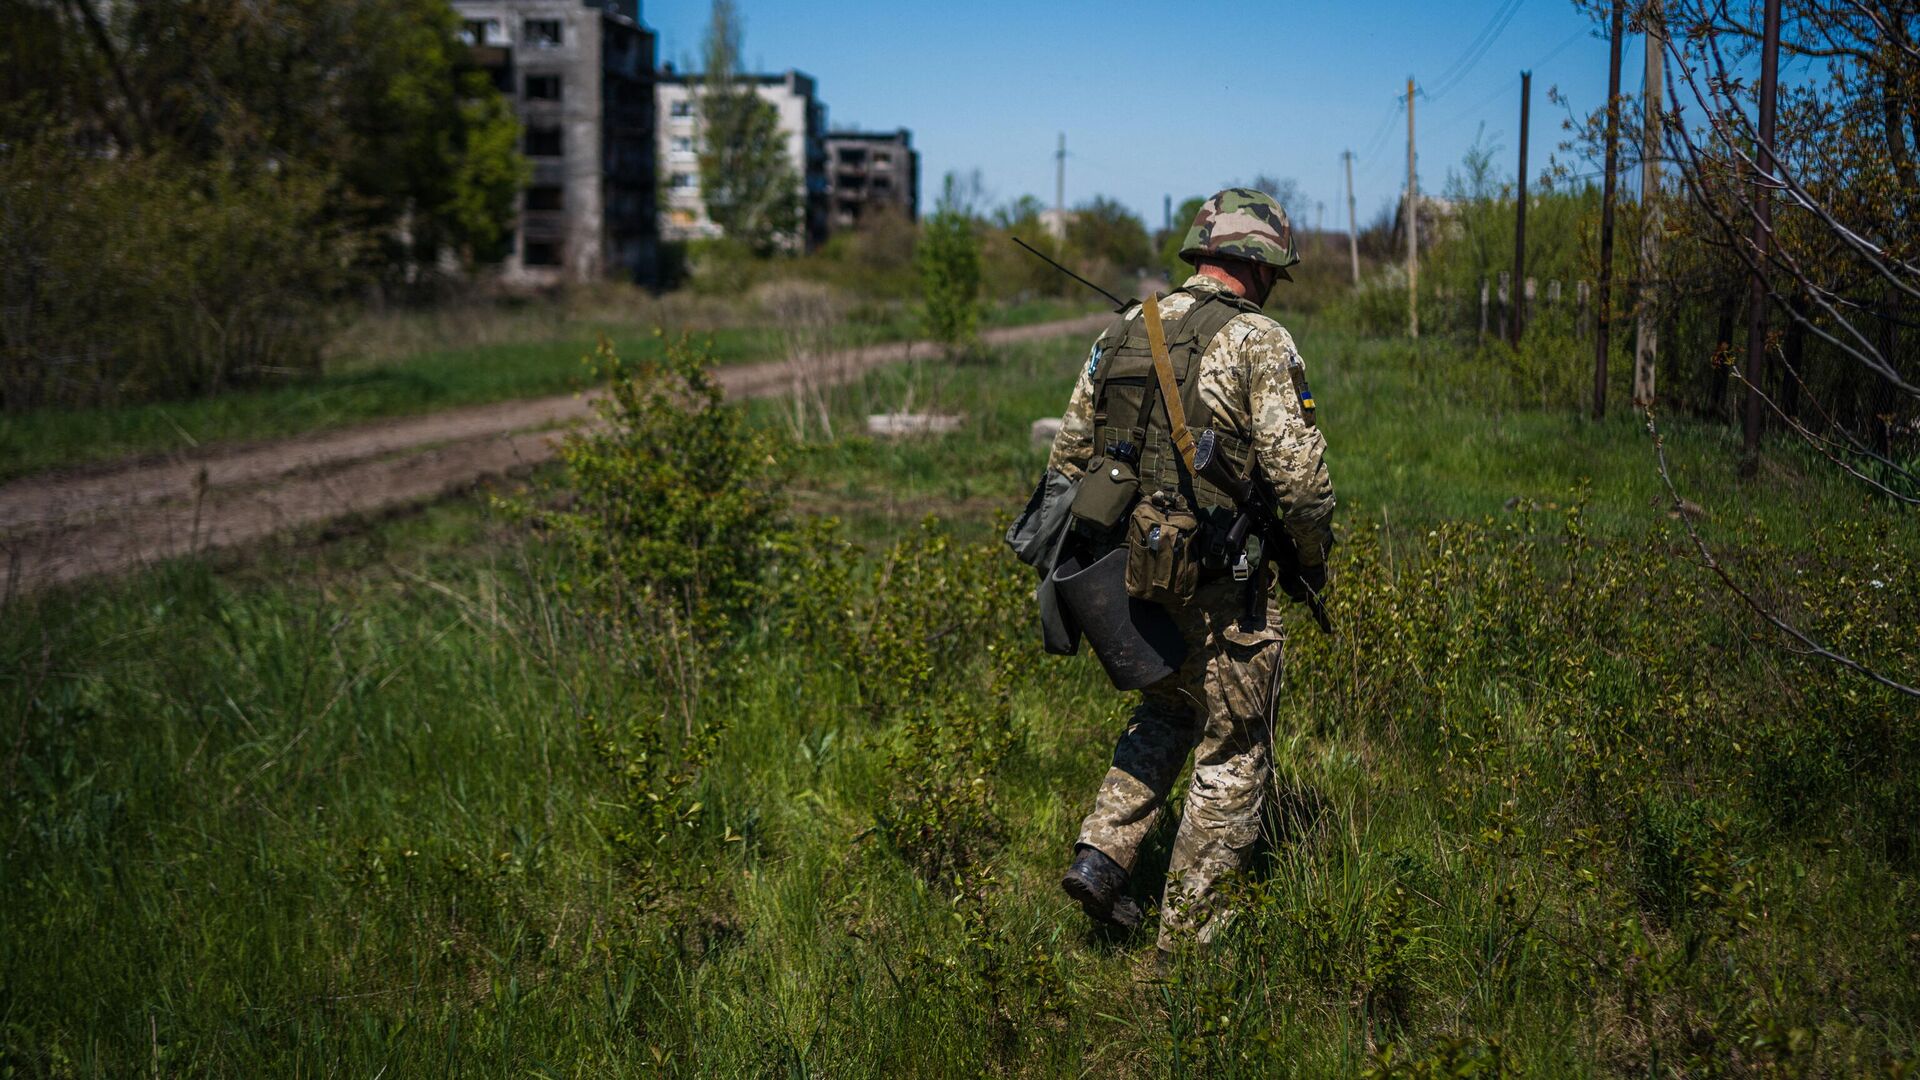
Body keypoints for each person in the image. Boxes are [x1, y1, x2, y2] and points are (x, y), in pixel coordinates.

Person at [1045, 188, 1336, 957]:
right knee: (1232, 751)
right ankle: (1191, 951)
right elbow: (1303, 487)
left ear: (1202, 249)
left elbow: (1067, 461)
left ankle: (1102, 856)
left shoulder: (1123, 330)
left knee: (1166, 713)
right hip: (1222, 587)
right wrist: (1313, 562)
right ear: (1262, 262)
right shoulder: (1261, 342)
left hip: (1132, 580)